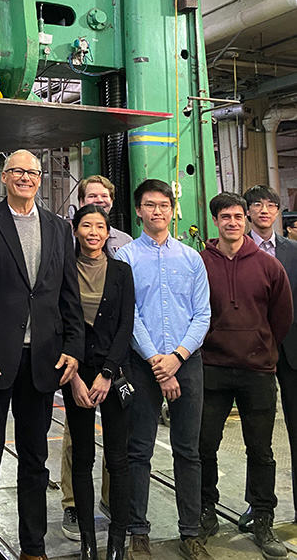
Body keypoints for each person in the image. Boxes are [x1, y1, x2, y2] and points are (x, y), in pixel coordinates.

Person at [0, 149, 85, 560]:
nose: (26, 178)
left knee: (35, 460)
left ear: (40, 178)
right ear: (6, 177)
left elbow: (68, 293)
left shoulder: (59, 228)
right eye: (18, 171)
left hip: (42, 361)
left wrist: (73, 350)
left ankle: (33, 548)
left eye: (32, 172)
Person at [116, 179, 211, 560]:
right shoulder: (125, 258)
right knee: (138, 450)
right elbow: (129, 315)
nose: (158, 211)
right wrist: (158, 359)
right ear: (139, 210)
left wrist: (177, 358)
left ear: (173, 209)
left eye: (164, 205)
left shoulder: (191, 258)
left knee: (188, 450)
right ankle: (139, 531)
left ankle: (190, 532)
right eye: (150, 205)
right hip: (143, 366)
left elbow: (203, 313)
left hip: (187, 363)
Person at [197, 192, 292, 560]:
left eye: (238, 216)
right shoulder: (200, 262)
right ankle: (206, 510)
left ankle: (263, 516)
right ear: (216, 221)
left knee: (261, 450)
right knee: (205, 446)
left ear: (245, 220)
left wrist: (262, 346)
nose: (233, 222)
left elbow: (281, 317)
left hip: (257, 371)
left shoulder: (269, 267)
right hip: (212, 369)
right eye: (225, 216)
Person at [62, 175, 132, 538]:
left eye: (100, 226)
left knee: (118, 459)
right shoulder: (61, 269)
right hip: (75, 374)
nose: (93, 231)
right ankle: (86, 534)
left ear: (109, 233)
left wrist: (107, 373)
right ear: (75, 230)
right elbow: (58, 323)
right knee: (82, 456)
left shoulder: (122, 270)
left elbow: (125, 325)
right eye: (86, 225)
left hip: (112, 373)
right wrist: (73, 377)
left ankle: (118, 537)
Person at [235, 186, 297, 531]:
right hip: (251, 355)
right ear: (247, 211)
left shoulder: (294, 251)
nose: (264, 210)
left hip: (291, 353)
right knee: (257, 437)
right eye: (257, 204)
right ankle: (258, 507)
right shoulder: (235, 250)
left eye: (271, 205)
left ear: (277, 212)